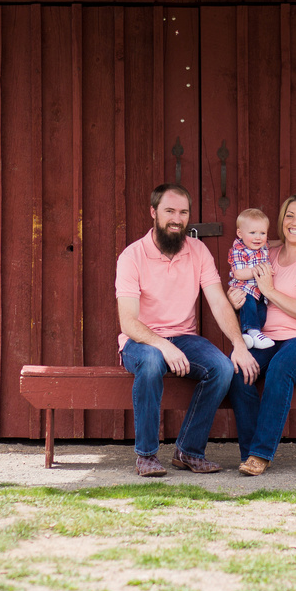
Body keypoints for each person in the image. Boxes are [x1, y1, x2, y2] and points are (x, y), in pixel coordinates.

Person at [116, 183, 259, 477]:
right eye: (169, 211)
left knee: (221, 367)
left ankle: (188, 451)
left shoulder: (198, 251)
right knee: (153, 360)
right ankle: (146, 456)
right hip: (140, 340)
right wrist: (163, 345)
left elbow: (219, 302)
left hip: (183, 338)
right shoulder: (132, 256)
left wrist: (239, 345)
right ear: (154, 212)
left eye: (183, 212)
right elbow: (128, 322)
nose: (176, 219)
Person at [226, 193, 296, 476]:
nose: (295, 222)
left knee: (281, 366)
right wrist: (234, 294)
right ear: (281, 221)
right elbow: (242, 277)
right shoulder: (268, 253)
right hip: (269, 338)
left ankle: (261, 454)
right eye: (290, 215)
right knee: (240, 369)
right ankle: (249, 453)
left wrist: (271, 290)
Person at [228, 208, 275, 351]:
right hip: (244, 290)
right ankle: (253, 332)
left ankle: (248, 335)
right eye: (252, 233)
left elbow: (273, 243)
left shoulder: (263, 246)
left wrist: (284, 241)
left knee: (261, 312)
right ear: (240, 234)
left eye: (263, 233)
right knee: (248, 310)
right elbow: (238, 274)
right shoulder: (239, 251)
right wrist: (257, 271)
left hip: (259, 291)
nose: (258, 237)